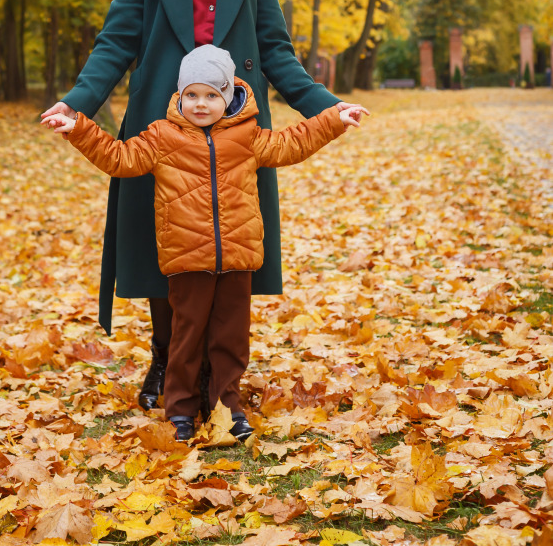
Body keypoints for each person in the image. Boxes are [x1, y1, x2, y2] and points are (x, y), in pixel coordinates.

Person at [41, 0, 351, 411]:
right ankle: (168, 359)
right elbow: (117, 42)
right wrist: (75, 104)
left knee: (227, 246)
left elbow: (277, 51)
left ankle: (216, 369)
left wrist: (326, 105)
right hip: (163, 123)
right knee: (167, 244)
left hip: (235, 125)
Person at [47, 46, 369, 440]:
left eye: (212, 95)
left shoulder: (247, 135)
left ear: (228, 96)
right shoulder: (162, 136)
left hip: (238, 257)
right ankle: (179, 410)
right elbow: (120, 158)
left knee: (230, 340)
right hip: (186, 258)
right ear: (180, 96)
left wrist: (334, 118)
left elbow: (293, 143)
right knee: (186, 338)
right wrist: (79, 128)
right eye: (192, 95)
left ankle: (227, 407)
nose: (201, 104)